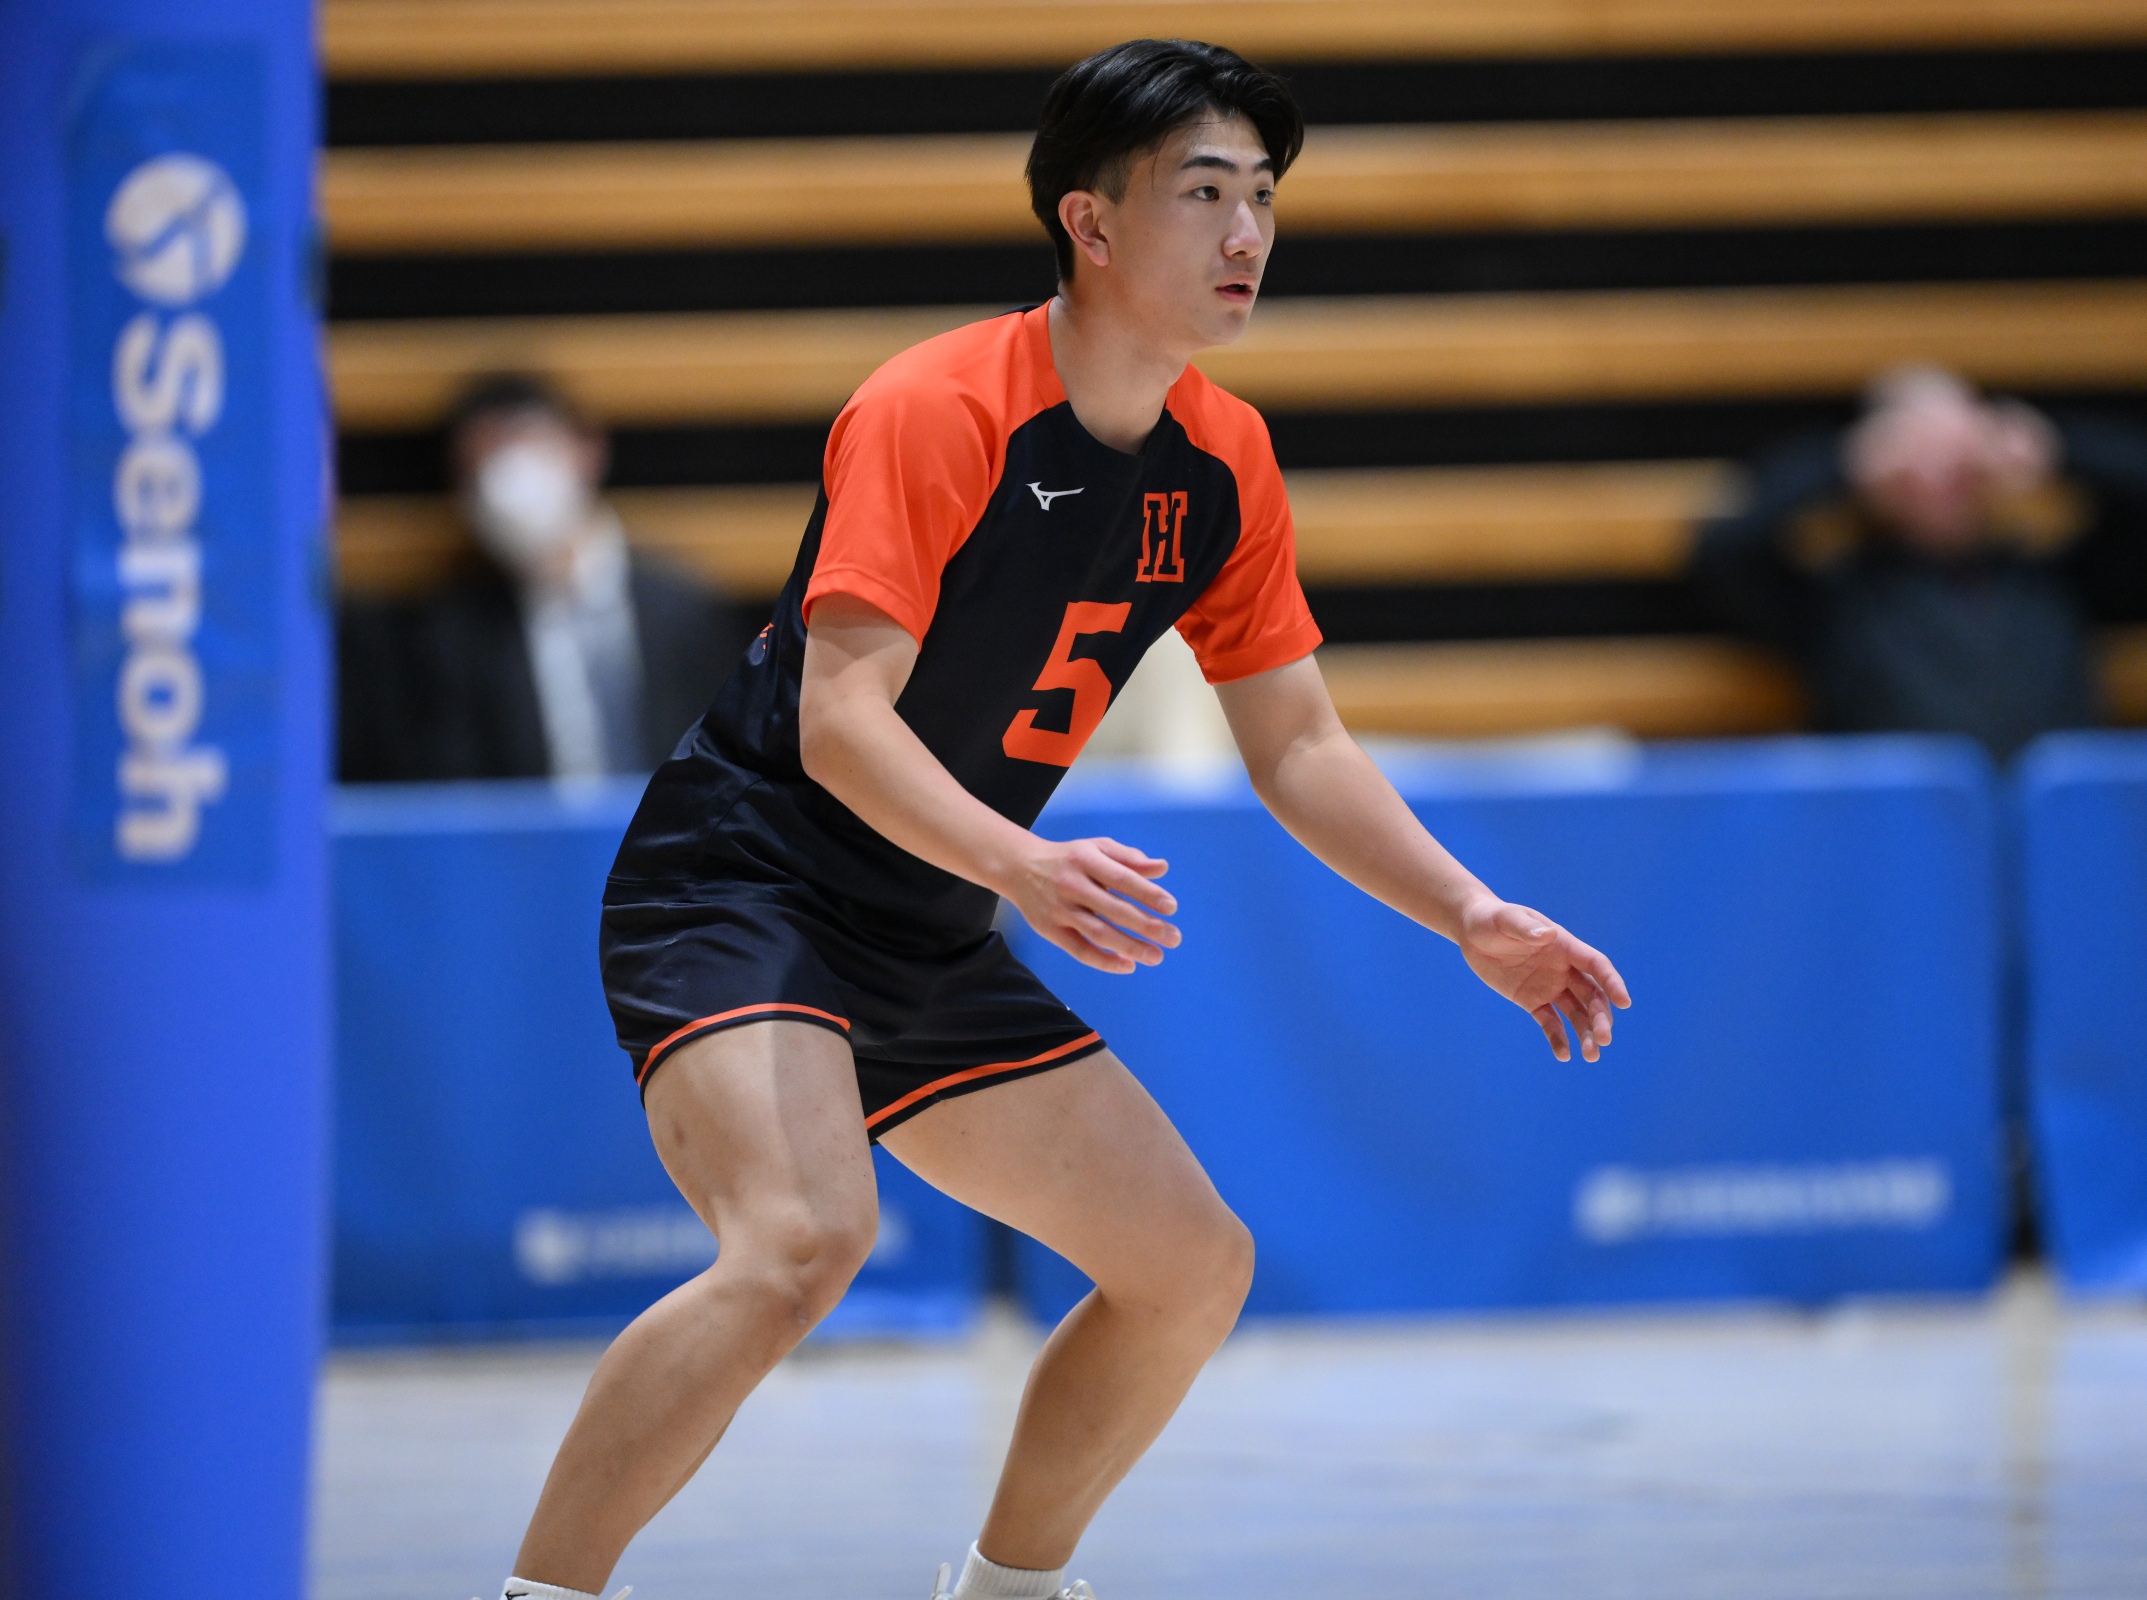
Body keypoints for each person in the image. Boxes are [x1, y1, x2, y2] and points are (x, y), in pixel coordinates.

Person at [487, 40, 1631, 1600]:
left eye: (1263, 197)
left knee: (1188, 1267)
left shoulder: (1224, 463)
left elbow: (1298, 743)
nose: (1247, 234)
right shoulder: (935, 407)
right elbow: (838, 725)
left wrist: (1470, 912)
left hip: (923, 918)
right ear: (1090, 224)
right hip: (744, 883)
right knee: (800, 1244)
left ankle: (1007, 1594)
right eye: (1204, 194)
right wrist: (1022, 862)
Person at [1692, 365, 2147, 762]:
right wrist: (1845, 461)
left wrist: (2053, 447)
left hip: (2050, 834)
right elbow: (1725, 548)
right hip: (1904, 839)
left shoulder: (2059, 581)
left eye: (1956, 452)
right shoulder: (1837, 604)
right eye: (1915, 454)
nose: (1941, 477)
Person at [337, 375, 750, 782]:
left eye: (525, 442)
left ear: (587, 449)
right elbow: (456, 791)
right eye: (483, 463)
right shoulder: (453, 639)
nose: (507, 482)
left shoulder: (683, 611)